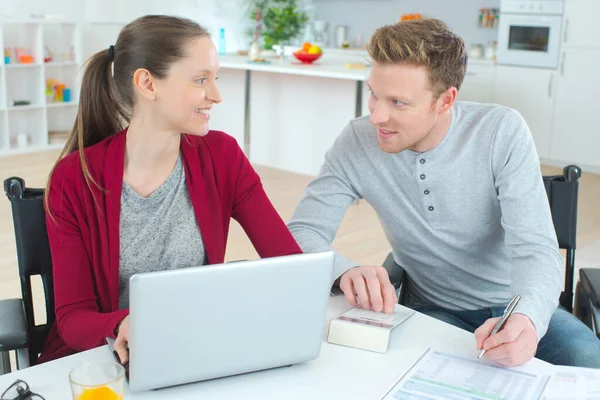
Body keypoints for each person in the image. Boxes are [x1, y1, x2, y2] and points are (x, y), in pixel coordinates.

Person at [288, 18, 600, 368]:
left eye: (398, 103)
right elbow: (302, 231)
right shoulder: (357, 141)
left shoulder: (501, 131)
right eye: (374, 94)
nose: (376, 115)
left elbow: (536, 249)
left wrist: (526, 317)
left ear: (445, 100)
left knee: (588, 361)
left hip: (514, 304)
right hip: (432, 309)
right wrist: (344, 269)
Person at [39, 15, 302, 364]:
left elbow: (289, 263)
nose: (216, 95)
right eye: (200, 80)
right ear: (148, 84)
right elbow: (72, 319)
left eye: (215, 78)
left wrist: (341, 274)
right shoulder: (74, 179)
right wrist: (125, 324)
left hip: (197, 348)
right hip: (105, 359)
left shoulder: (223, 156)